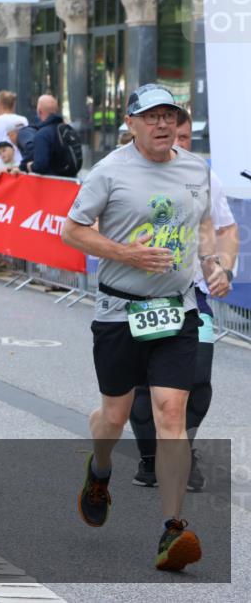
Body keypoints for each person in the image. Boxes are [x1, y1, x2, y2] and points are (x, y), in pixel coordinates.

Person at [61, 84, 226, 572]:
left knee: (170, 413)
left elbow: (204, 226)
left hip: (177, 310)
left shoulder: (195, 168)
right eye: (150, 116)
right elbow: (71, 229)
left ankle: (173, 529)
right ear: (130, 123)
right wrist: (127, 253)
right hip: (118, 311)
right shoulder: (109, 171)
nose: (161, 124)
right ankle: (101, 469)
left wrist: (213, 262)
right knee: (113, 417)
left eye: (169, 116)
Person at [128, 108, 238, 491]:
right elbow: (85, 227)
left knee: (198, 380)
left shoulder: (205, 177)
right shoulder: (121, 174)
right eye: (170, 132)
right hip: (139, 296)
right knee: (142, 387)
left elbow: (225, 228)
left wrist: (222, 266)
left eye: (186, 136)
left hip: (193, 295)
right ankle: (149, 458)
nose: (176, 141)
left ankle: (181, 450)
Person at [20, 94, 63, 175]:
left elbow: (40, 166)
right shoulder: (66, 129)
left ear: (39, 111)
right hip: (72, 182)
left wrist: (30, 166)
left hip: (52, 184)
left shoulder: (42, 135)